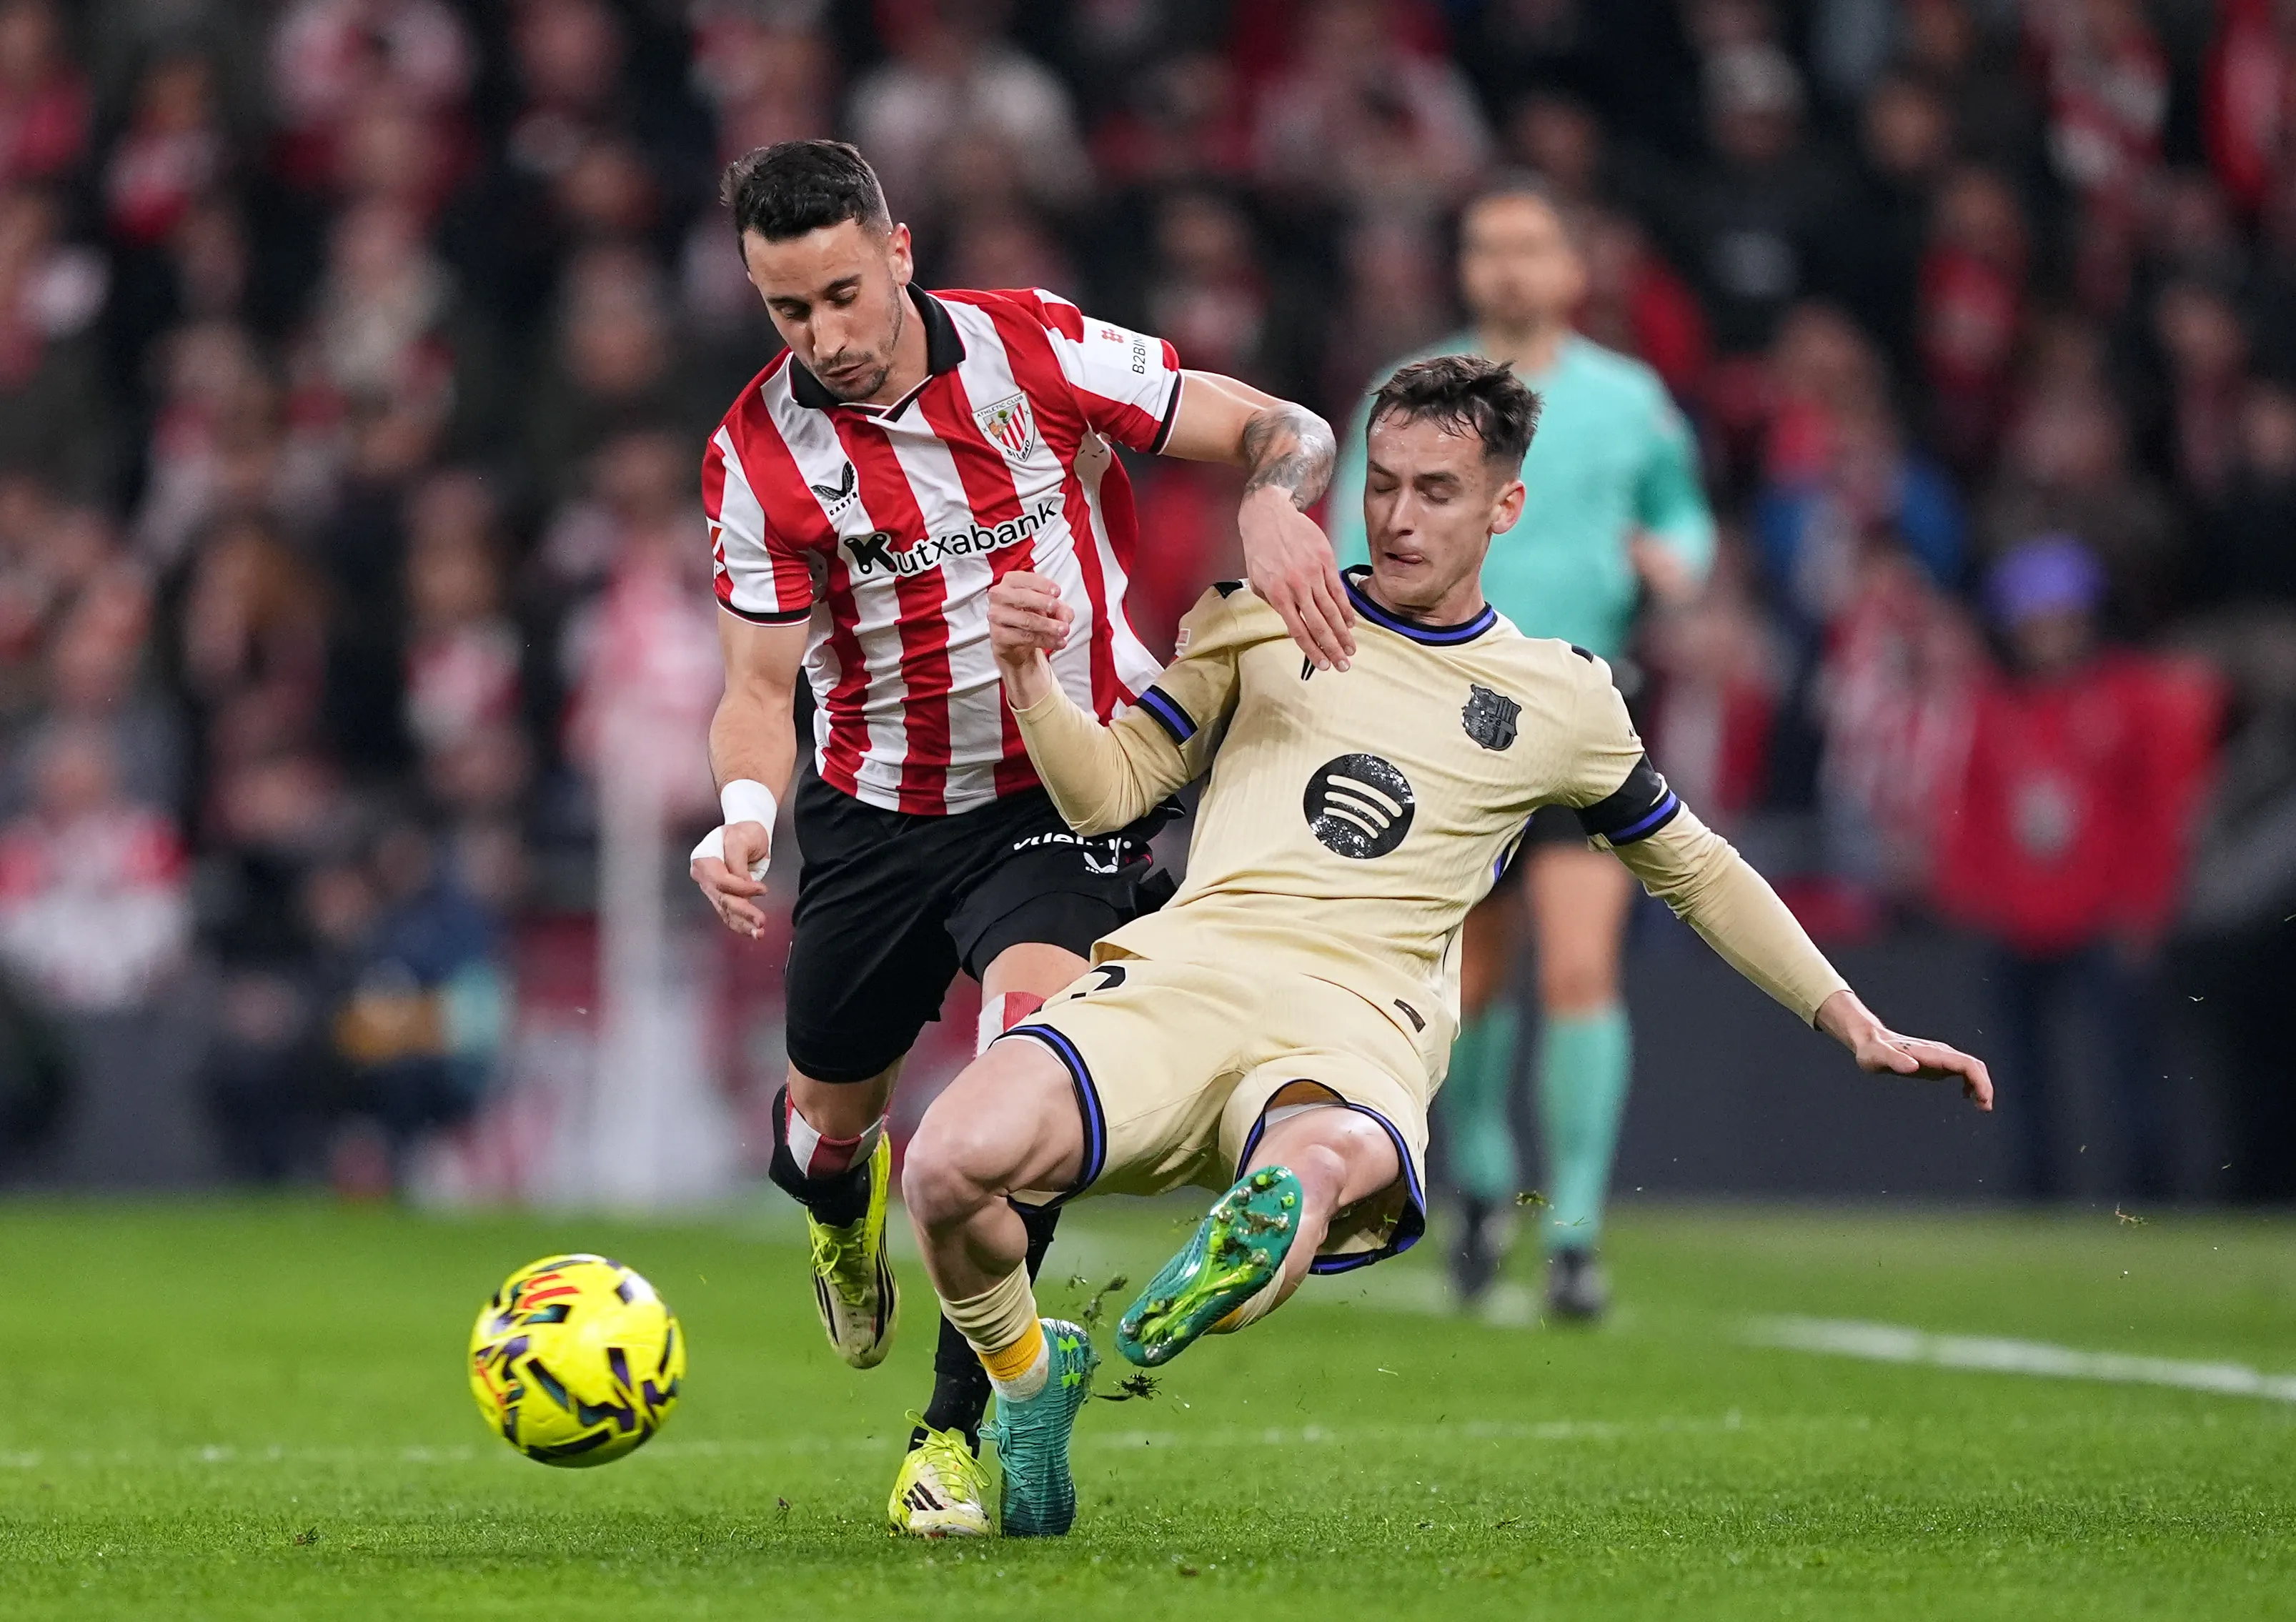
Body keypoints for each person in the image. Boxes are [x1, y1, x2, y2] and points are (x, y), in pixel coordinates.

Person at [901, 354, 1990, 1538]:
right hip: (1184, 973)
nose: (1401, 516)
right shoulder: (1254, 617)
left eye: (1437, 491)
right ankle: (1028, 1378)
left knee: (1307, 1167)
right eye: (1384, 485)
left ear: (1503, 508)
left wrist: (1851, 1016)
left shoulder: (1560, 697)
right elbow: (1108, 794)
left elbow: (1697, 867)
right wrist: (1026, 676)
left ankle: (1265, 1222)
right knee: (946, 1167)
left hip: (1358, 1019)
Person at [682, 140, 1353, 1539]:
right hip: (873, 813)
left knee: (1015, 1094)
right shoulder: (755, 456)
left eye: (844, 296)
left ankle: (956, 1433)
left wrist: (1275, 505)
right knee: (830, 1125)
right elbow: (756, 692)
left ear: (901, 251)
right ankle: (832, 1199)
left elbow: (1277, 423)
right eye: (788, 312)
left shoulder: (1033, 348)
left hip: (1070, 791)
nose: (828, 339)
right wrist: (744, 816)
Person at [1330, 174, 1716, 1317]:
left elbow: (1682, 506)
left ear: (1570, 270)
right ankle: (1487, 1176)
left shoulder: (1629, 399)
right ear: (1466, 268)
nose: (1507, 266)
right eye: (1488, 246)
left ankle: (1579, 1230)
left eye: (1529, 246)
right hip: (1448, 713)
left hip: (1584, 705)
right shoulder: (1414, 394)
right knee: (1475, 977)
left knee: (1583, 960)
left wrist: (1677, 556)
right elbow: (1353, 513)